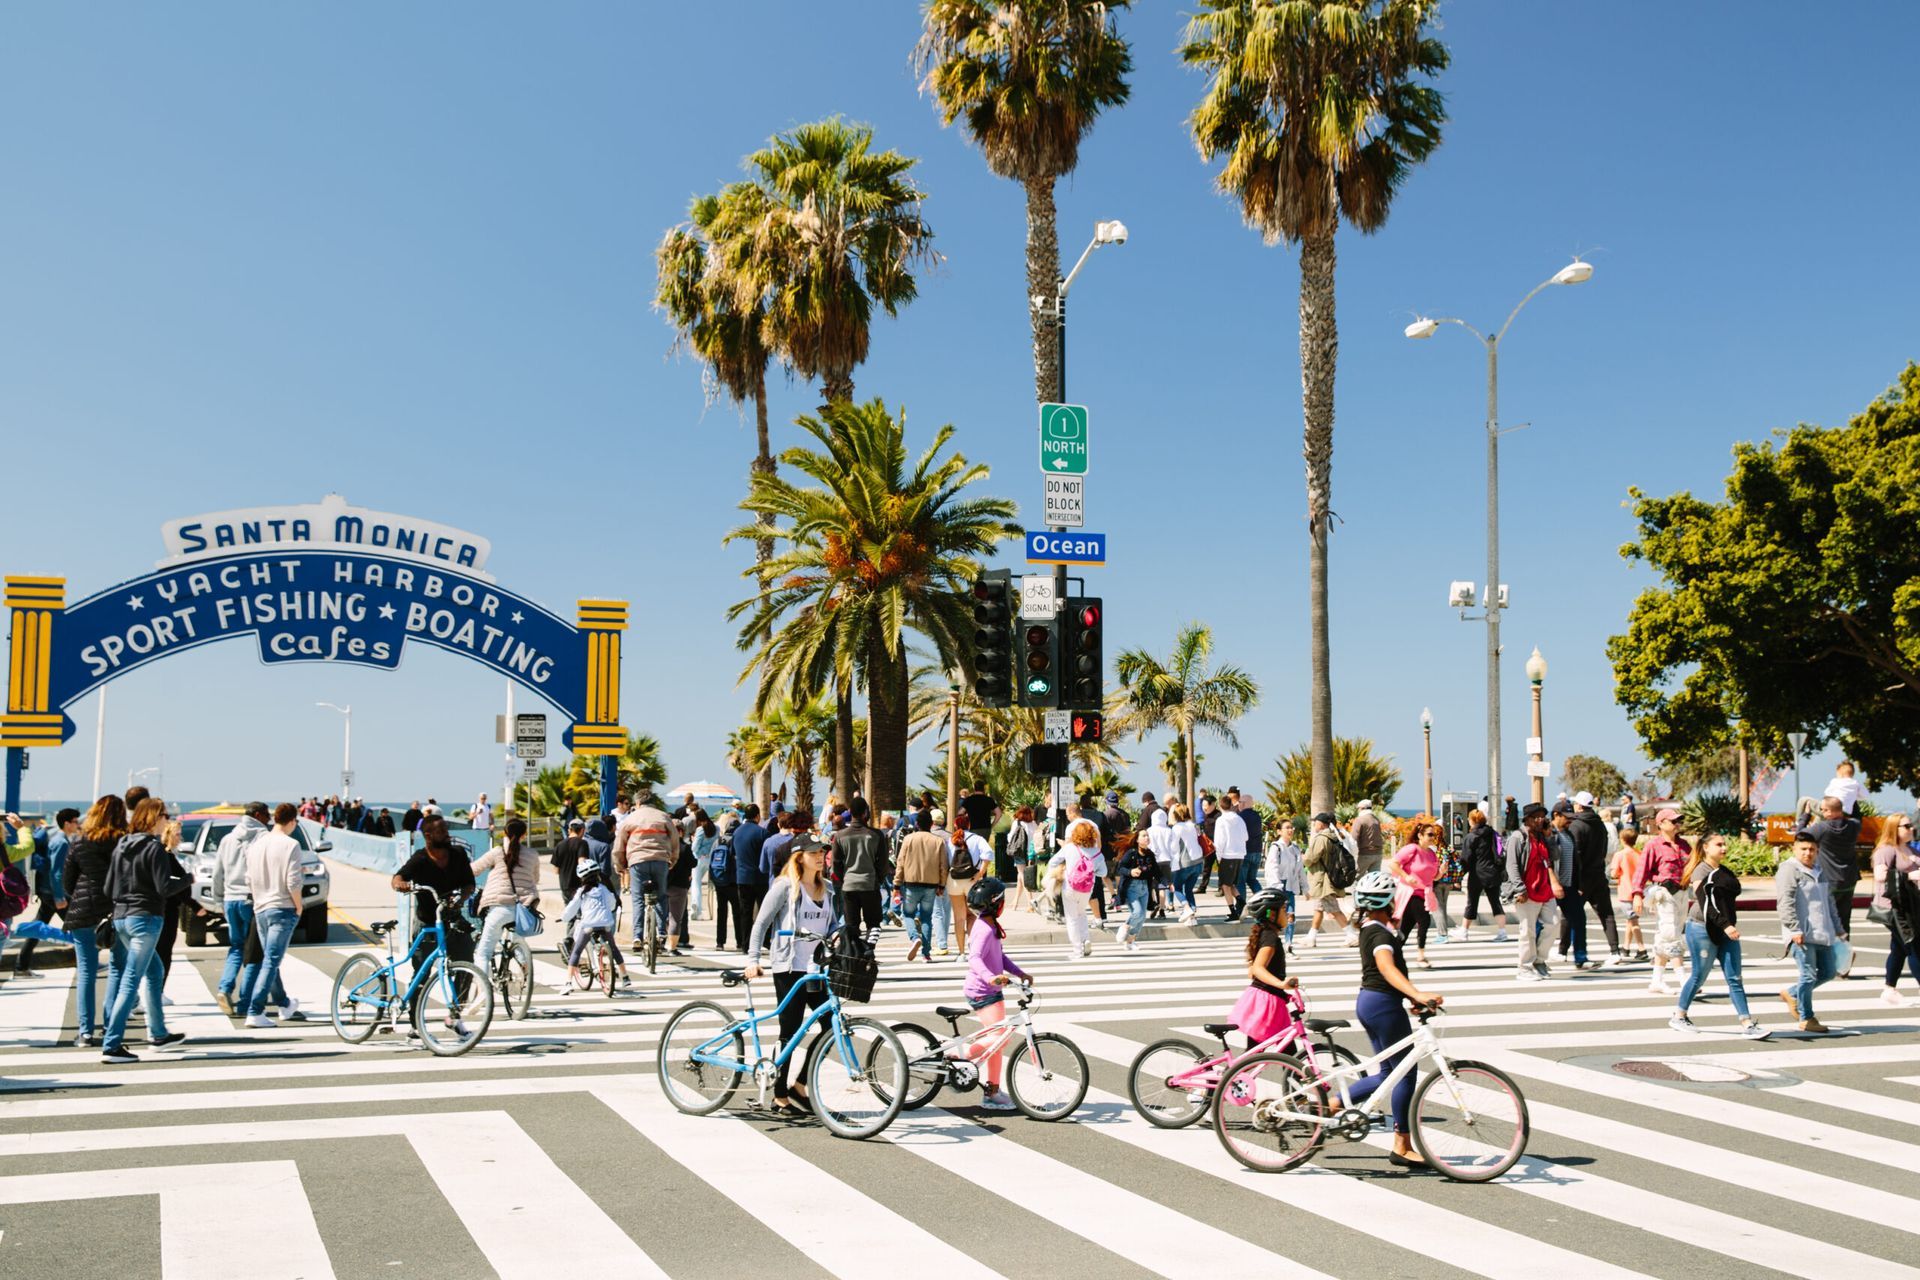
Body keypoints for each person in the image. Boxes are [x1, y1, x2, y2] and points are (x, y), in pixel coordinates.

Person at [1345, 870, 1444, 1169]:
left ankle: (1335, 1102)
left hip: (1370, 1002)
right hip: (1384, 1006)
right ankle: (1402, 1144)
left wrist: (1412, 997)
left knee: (1388, 1072)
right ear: (1390, 901)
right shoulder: (1380, 935)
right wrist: (1416, 993)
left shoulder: (1369, 926)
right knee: (1403, 1074)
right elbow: (1387, 968)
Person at [745, 833, 839, 1114]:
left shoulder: (827, 888)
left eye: (822, 852)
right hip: (789, 967)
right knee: (791, 1030)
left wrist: (837, 938)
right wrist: (753, 959)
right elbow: (760, 923)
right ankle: (779, 1094)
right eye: (814, 853)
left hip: (816, 970)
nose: (820, 857)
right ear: (799, 857)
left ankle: (800, 1082)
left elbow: (831, 925)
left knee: (830, 1026)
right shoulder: (785, 887)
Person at [100, 797, 190, 1063]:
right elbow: (165, 888)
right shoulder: (155, 849)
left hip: (121, 917)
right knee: (131, 980)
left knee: (155, 971)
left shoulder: (121, 846)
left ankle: (159, 1033)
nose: (167, 819)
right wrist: (187, 879)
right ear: (153, 818)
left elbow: (108, 888)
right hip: (146, 918)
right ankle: (112, 1045)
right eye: (164, 814)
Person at [1670, 833, 1770, 1039]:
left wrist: (1727, 926)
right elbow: (1705, 903)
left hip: (1726, 930)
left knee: (1735, 978)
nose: (1723, 848)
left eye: (1725, 844)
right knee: (1699, 975)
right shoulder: (1700, 871)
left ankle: (1747, 1023)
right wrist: (1726, 926)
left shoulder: (1723, 871)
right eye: (1719, 844)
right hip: (1702, 929)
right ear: (1706, 847)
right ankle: (1679, 1016)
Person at [391, 814, 478, 1000]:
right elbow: (398, 877)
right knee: (422, 972)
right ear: (428, 835)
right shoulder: (420, 859)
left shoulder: (458, 855)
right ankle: (415, 1021)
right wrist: (400, 884)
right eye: (441, 831)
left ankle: (457, 1010)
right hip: (427, 922)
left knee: (466, 962)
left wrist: (462, 899)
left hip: (451, 918)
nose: (447, 835)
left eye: (446, 830)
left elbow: (469, 883)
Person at [960, 876, 1028, 1111]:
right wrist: (990, 977)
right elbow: (975, 958)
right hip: (982, 991)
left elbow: (1000, 957)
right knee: (1000, 1038)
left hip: (992, 989)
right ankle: (959, 1058)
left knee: (997, 1042)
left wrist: (1020, 973)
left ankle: (993, 1091)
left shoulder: (989, 926)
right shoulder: (984, 930)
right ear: (995, 904)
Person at [62, 797, 123, 1047]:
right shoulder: (122, 840)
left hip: (83, 910)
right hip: (115, 910)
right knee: (118, 968)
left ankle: (85, 1032)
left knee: (86, 971)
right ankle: (111, 1026)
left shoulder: (79, 842)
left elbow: (67, 881)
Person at [241, 804, 306, 1029]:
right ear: (292, 821)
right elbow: (292, 882)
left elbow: (248, 878)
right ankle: (255, 1010)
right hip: (282, 906)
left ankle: (284, 1003)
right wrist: (299, 906)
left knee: (270, 959)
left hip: (260, 907)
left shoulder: (256, 844)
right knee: (271, 961)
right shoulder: (292, 845)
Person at [210, 802, 276, 1017]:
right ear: (257, 815)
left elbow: (217, 873)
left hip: (230, 899)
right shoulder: (263, 838)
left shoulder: (228, 838)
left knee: (236, 947)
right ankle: (245, 1002)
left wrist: (218, 900)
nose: (269, 819)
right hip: (251, 899)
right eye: (267, 815)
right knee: (255, 953)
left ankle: (224, 988)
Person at [1777, 828, 1840, 1034]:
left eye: (1812, 849)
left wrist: (1838, 928)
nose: (1808, 853)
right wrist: (1794, 928)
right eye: (1803, 849)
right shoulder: (1789, 869)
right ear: (1794, 849)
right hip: (1801, 933)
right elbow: (1785, 902)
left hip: (1823, 932)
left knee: (1829, 972)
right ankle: (1807, 1018)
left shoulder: (1819, 870)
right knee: (1808, 976)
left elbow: (1828, 901)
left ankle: (1792, 993)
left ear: (1817, 850)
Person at [470, 816, 540, 981]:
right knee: (517, 938)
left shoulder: (497, 852)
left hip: (499, 906)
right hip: (523, 908)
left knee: (484, 952)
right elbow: (534, 879)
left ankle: (484, 991)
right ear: (524, 835)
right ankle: (525, 971)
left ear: (505, 833)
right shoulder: (532, 855)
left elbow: (474, 870)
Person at [13, 807, 78, 977]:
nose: (77, 825)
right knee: (78, 926)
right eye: (75, 822)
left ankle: (21, 966)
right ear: (67, 823)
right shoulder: (61, 842)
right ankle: (87, 960)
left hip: (46, 890)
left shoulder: (59, 839)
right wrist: (59, 896)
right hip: (53, 893)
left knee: (38, 927)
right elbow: (56, 872)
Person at [1632, 808, 1692, 995]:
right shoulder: (1654, 845)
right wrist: (1637, 894)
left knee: (1667, 935)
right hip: (1664, 892)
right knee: (1670, 933)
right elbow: (1642, 871)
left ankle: (1656, 980)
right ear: (1661, 824)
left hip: (1682, 892)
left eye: (1678, 821)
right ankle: (1683, 978)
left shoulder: (1684, 845)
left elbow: (1692, 866)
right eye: (1673, 821)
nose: (1677, 825)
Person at [1229, 888, 1297, 1048]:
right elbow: (1257, 969)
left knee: (1261, 1054)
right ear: (1271, 914)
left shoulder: (1265, 934)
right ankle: (1233, 1073)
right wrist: (1281, 984)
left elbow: (1252, 970)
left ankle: (1235, 1072)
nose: (1288, 913)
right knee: (1270, 1053)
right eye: (1283, 909)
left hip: (1268, 1000)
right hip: (1266, 1003)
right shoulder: (1270, 938)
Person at [614, 788, 681, 950]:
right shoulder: (663, 816)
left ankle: (637, 936)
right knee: (661, 896)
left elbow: (619, 845)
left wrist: (620, 865)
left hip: (638, 861)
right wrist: (672, 860)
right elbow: (674, 841)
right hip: (660, 860)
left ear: (637, 802)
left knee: (638, 899)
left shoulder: (631, 818)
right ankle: (660, 933)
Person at [1502, 802, 1562, 983]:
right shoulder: (1517, 837)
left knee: (1553, 924)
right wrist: (1519, 888)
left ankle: (1539, 960)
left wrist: (1549, 836)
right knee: (1527, 930)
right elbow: (1511, 865)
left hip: (1544, 889)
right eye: (1535, 817)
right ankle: (1524, 966)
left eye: (1542, 816)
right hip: (1527, 891)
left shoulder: (1541, 837)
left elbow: (1554, 856)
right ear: (1527, 818)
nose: (1539, 819)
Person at [1564, 792, 1625, 968]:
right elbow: (1605, 849)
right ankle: (1615, 951)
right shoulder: (1600, 825)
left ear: (1579, 806)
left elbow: (1576, 854)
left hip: (1582, 877)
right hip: (1598, 873)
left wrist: (1577, 880)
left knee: (1571, 914)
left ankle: (1562, 949)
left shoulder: (1576, 825)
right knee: (1606, 914)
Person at [1800, 795, 1862, 963]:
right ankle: (1845, 957)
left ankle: (1832, 960)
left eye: (1823, 809)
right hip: (1848, 880)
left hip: (1829, 881)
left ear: (1827, 811)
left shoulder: (1822, 828)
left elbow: (1800, 836)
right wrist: (1852, 799)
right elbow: (1858, 817)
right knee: (1844, 920)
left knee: (1826, 921)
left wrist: (1805, 816)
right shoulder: (1853, 826)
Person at [1871, 816, 1920, 1005]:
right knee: (1913, 946)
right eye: (1906, 826)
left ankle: (1889, 989)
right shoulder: (1886, 850)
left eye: (1911, 825)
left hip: (1910, 905)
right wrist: (1911, 875)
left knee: (1899, 947)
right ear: (1894, 828)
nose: (1911, 828)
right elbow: (1880, 875)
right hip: (1893, 907)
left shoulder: (1910, 849)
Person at [561, 858, 628, 992]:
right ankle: (625, 977)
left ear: (582, 878)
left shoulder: (582, 892)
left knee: (576, 951)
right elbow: (612, 904)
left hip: (589, 925)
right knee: (614, 949)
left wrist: (563, 918)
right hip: (606, 924)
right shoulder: (603, 889)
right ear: (598, 875)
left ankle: (568, 983)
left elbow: (570, 910)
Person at [829, 796, 889, 939]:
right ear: (865, 813)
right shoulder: (876, 835)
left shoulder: (840, 836)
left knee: (852, 925)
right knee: (873, 925)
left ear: (850, 812)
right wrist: (878, 879)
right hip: (870, 884)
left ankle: (855, 956)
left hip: (849, 885)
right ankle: (869, 954)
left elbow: (835, 863)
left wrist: (844, 880)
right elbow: (883, 863)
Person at [896, 809, 947, 964]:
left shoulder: (908, 839)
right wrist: (942, 885)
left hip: (911, 884)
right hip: (931, 885)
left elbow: (901, 863)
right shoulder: (938, 841)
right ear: (931, 824)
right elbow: (943, 866)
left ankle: (914, 937)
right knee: (926, 918)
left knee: (908, 914)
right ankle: (926, 953)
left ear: (917, 824)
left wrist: (896, 885)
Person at [1389, 820, 1441, 968]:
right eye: (1429, 834)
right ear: (1420, 835)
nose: (1432, 837)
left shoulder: (1432, 854)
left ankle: (1391, 954)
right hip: (1410, 892)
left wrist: (1441, 872)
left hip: (1424, 893)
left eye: (1434, 835)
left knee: (1406, 927)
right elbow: (1393, 863)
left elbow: (1433, 876)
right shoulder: (1412, 849)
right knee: (1424, 920)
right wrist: (1406, 876)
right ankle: (1421, 956)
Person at [1047, 819, 1101, 960]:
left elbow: (1052, 862)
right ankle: (1086, 939)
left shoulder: (1069, 848)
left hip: (1070, 887)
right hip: (1087, 888)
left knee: (1071, 918)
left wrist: (1060, 871)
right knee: (1081, 913)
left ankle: (1077, 950)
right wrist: (1092, 871)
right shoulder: (1096, 852)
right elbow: (1104, 872)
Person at [1301, 812, 1354, 948]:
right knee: (1319, 908)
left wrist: (1303, 857)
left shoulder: (1322, 838)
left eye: (1316, 822)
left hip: (1323, 880)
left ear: (1322, 824)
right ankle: (1311, 937)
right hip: (1328, 878)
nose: (1314, 825)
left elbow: (1310, 858)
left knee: (1334, 909)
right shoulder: (1333, 836)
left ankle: (1351, 935)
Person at [1456, 809, 1509, 943]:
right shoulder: (1492, 833)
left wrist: (1459, 875)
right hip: (1493, 872)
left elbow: (1466, 858)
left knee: (1472, 903)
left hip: (1477, 874)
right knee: (1495, 902)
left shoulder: (1471, 837)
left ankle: (1464, 931)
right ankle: (1502, 932)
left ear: (1472, 821)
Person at [728, 804, 770, 951]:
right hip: (760, 877)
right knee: (765, 911)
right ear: (757, 816)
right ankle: (766, 941)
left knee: (745, 912)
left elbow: (732, 852)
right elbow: (767, 854)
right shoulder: (762, 832)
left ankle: (745, 944)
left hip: (742, 877)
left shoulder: (737, 832)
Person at [948, 814, 991, 956]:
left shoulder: (950, 840)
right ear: (969, 825)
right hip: (972, 881)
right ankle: (973, 949)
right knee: (972, 915)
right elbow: (988, 854)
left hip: (954, 882)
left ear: (955, 826)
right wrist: (980, 873)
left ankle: (961, 953)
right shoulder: (978, 839)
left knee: (959, 918)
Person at [1264, 820, 1308, 954]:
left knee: (1291, 916)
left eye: (1291, 827)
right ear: (1279, 831)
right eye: (1287, 828)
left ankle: (1288, 944)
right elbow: (1272, 868)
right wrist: (1277, 886)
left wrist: (1305, 888)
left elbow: (1300, 869)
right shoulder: (1276, 847)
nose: (1290, 830)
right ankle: (1268, 943)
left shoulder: (1295, 848)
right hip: (1278, 886)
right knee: (1271, 916)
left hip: (1290, 886)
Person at [1114, 831, 1156, 952]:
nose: (1147, 837)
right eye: (1144, 835)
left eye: (1148, 835)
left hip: (1144, 888)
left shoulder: (1150, 854)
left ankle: (1130, 942)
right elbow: (1120, 868)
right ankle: (1125, 927)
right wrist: (1130, 872)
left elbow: (1156, 871)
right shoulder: (1131, 853)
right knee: (1137, 912)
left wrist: (1167, 882)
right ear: (1137, 840)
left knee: (1142, 917)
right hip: (1131, 887)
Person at [1610, 825, 1647, 960]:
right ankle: (1626, 947)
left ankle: (1642, 948)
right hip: (1638, 891)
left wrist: (1616, 873)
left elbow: (1614, 873)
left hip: (1625, 891)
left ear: (1622, 840)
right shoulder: (1639, 854)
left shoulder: (1619, 855)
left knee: (1633, 920)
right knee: (1630, 920)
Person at [1212, 797, 1249, 922]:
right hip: (1240, 855)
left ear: (1220, 806)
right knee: (1231, 883)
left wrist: (1219, 857)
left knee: (1225, 885)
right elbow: (1246, 837)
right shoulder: (1240, 819)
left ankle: (1234, 910)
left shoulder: (1221, 820)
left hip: (1227, 855)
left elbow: (1219, 840)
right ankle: (1241, 902)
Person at [1167, 803, 1204, 923]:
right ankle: (1192, 916)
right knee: (1189, 889)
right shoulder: (1193, 825)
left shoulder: (1177, 828)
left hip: (1185, 863)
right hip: (1198, 861)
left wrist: (1173, 865)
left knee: (1176, 887)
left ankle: (1187, 908)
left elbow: (1174, 848)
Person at [1005, 804, 1046, 912]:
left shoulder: (1017, 823)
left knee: (1022, 875)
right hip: (1032, 852)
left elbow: (1010, 837)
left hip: (1020, 851)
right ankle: (1015, 902)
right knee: (1021, 877)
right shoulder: (1033, 824)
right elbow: (1039, 834)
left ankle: (1030, 902)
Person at [1352, 799, 1384, 877]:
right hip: (1378, 853)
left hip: (1365, 853)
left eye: (1358, 808)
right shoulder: (1376, 819)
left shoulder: (1360, 820)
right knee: (1373, 879)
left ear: (1362, 808)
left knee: (1358, 878)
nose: (1358, 810)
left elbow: (1353, 837)